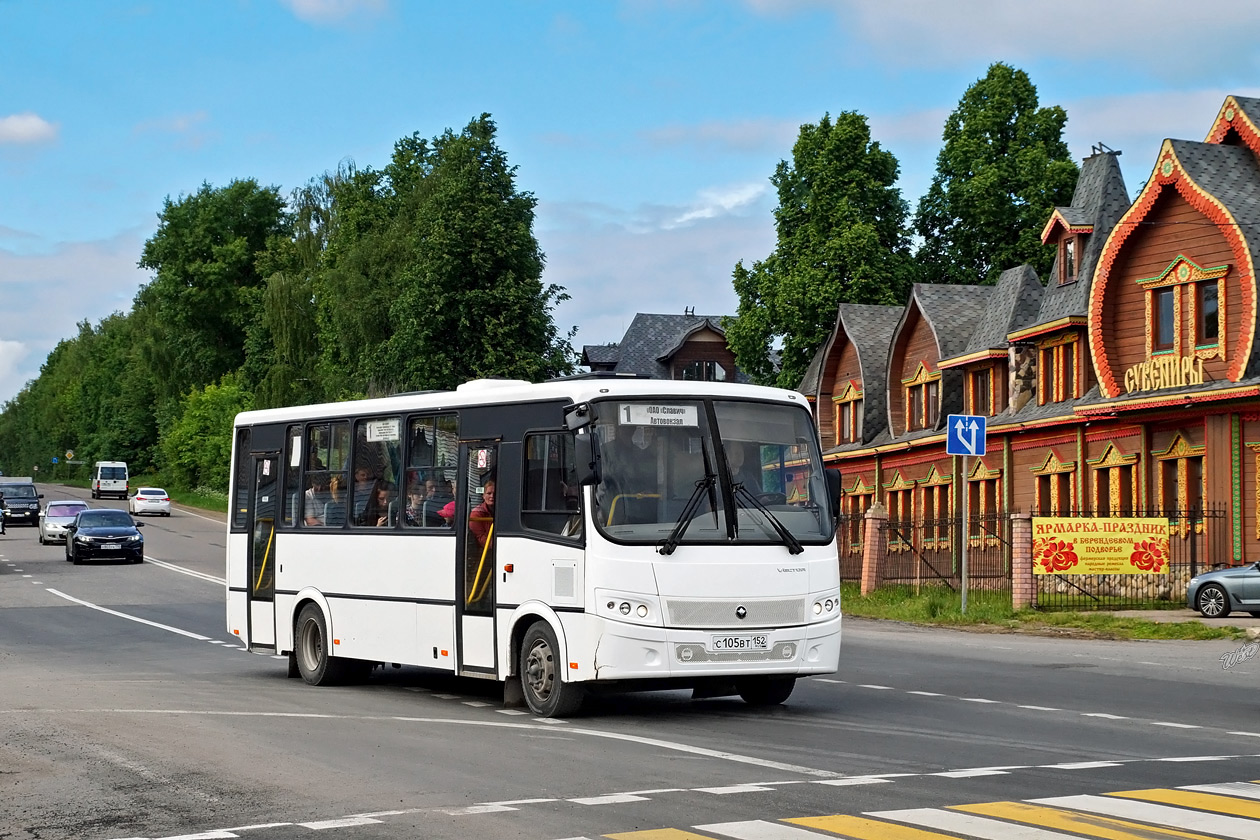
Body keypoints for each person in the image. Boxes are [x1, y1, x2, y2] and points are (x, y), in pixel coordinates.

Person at [469, 479, 495, 547]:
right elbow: (481, 538)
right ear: (483, 496)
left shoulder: (503, 511)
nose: (492, 496)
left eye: (495, 493)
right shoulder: (476, 514)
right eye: (489, 493)